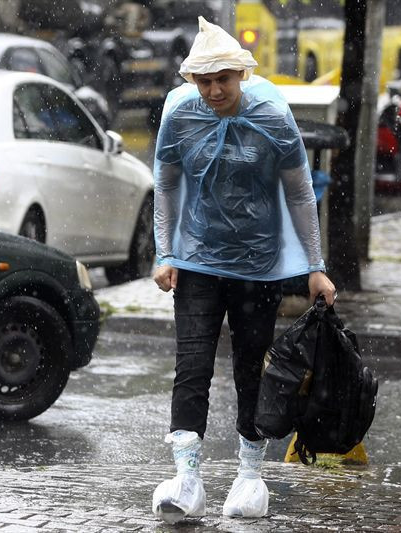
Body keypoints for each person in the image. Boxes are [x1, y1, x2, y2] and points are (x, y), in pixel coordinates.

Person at [149, 17, 336, 524]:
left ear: (241, 75)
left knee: (251, 368)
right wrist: (165, 254)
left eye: (223, 80)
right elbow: (166, 184)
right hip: (196, 259)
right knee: (192, 365)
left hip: (258, 265)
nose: (214, 91)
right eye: (204, 82)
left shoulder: (273, 118)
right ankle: (187, 479)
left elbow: (300, 193)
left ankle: (250, 476)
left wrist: (314, 267)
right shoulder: (180, 117)